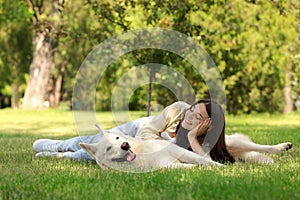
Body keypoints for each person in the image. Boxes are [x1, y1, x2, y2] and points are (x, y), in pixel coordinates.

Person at [33, 99, 235, 164]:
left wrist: (192, 136)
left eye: (198, 117)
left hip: (143, 149)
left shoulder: (203, 138)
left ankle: (62, 156)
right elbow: (146, 134)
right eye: (192, 109)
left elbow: (205, 161)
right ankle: (60, 147)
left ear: (209, 124)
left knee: (102, 155)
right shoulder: (178, 108)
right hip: (137, 131)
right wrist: (162, 146)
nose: (190, 116)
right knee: (96, 142)